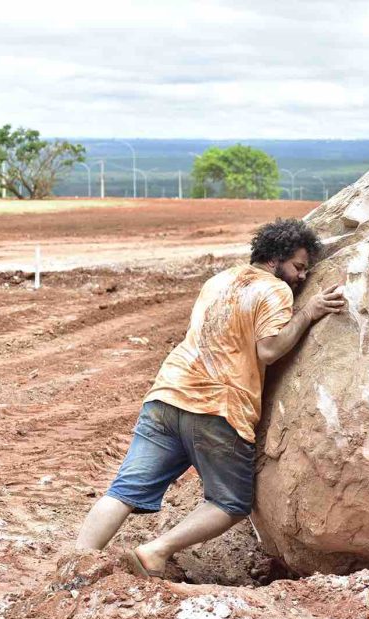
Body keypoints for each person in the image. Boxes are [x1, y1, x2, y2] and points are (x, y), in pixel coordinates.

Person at [75, 218, 345, 578]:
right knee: (230, 502)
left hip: (166, 395)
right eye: (298, 267)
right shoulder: (273, 290)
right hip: (219, 409)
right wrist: (309, 312)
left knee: (123, 491)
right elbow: (269, 349)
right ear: (275, 258)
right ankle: (156, 552)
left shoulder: (217, 280)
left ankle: (75, 564)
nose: (299, 277)